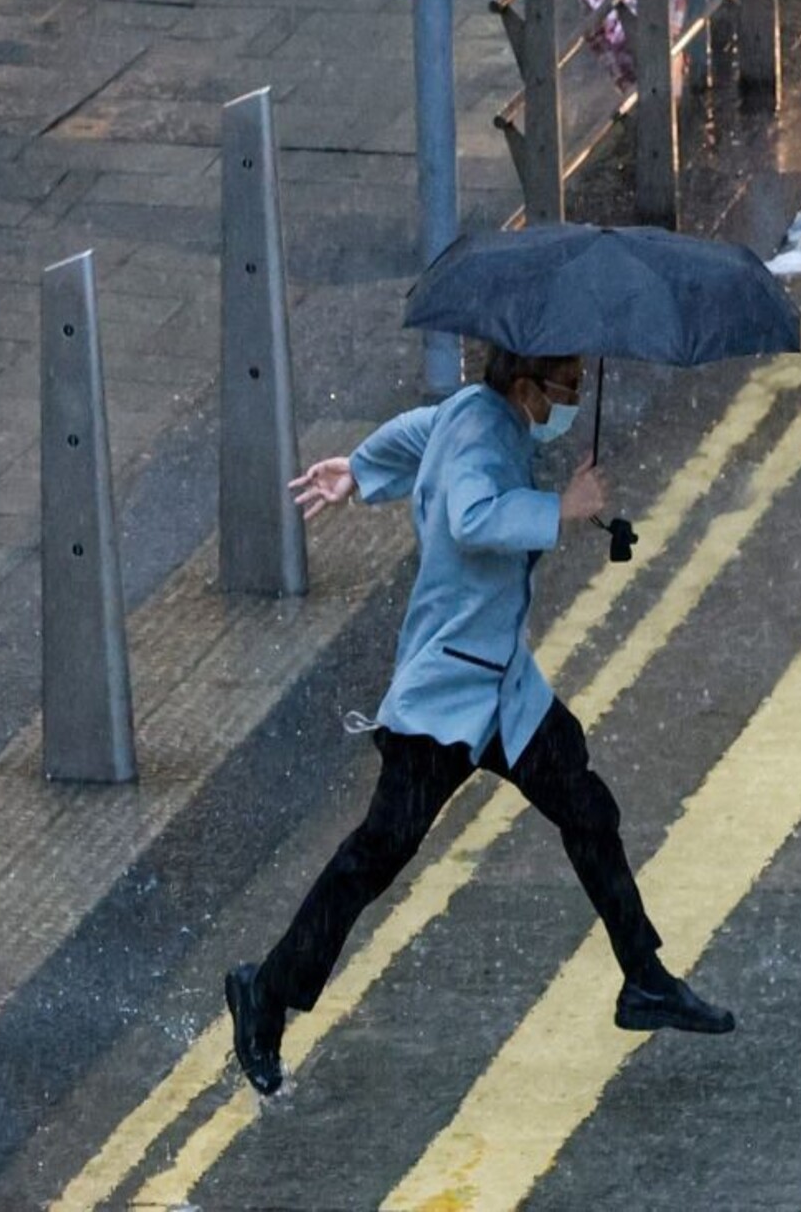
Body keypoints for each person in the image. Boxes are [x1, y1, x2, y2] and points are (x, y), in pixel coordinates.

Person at [223, 348, 733, 1096]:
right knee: (378, 851)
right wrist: (559, 510)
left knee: (586, 808)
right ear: (524, 386)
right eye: (565, 387)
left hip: (505, 688)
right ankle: (266, 993)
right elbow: (470, 516)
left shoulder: (477, 412)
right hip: (449, 690)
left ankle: (644, 977)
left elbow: (417, 428)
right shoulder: (485, 436)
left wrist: (360, 471)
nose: (573, 397)